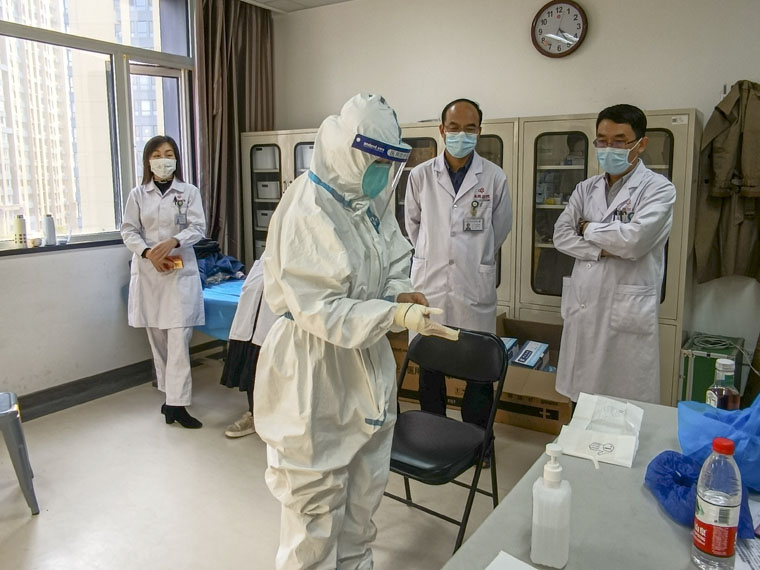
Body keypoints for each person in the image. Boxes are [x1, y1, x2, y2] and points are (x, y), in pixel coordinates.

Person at [254, 93, 458, 570]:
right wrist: (393, 317)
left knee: (363, 502)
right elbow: (322, 311)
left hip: (366, 364)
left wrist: (400, 295)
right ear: (347, 150)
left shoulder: (367, 199)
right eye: (376, 160)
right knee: (314, 511)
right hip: (313, 370)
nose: (383, 172)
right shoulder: (308, 206)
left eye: (389, 162)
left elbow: (395, 257)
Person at [552, 104, 676, 404]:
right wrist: (603, 250)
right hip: (584, 306)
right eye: (602, 140)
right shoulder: (585, 188)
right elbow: (561, 236)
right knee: (580, 406)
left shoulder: (658, 189)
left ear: (641, 144)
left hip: (625, 315)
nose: (609, 149)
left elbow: (634, 242)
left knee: (622, 407)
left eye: (620, 141)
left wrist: (587, 228)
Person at [405, 98, 513, 431]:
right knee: (430, 365)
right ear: (442, 130)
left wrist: (473, 256)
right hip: (430, 283)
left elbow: (500, 228)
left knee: (478, 369)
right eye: (454, 128)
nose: (461, 134)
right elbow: (412, 225)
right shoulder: (421, 175)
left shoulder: (493, 177)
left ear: (479, 131)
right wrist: (434, 252)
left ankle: (478, 440)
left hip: (472, 284)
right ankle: (433, 433)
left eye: (469, 128)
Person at [121, 135, 207, 428]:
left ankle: (178, 405)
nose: (163, 160)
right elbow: (128, 230)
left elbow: (198, 227)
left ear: (176, 159)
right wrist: (148, 253)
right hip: (149, 273)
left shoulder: (188, 192)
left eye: (169, 154)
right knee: (158, 340)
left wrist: (174, 241)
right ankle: (170, 401)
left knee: (179, 340)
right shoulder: (137, 194)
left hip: (179, 274)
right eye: (157, 155)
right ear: (148, 161)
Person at [219, 259, 277, 438]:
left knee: (276, 366)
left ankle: (278, 418)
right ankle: (254, 414)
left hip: (280, 316)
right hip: (257, 291)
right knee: (251, 361)